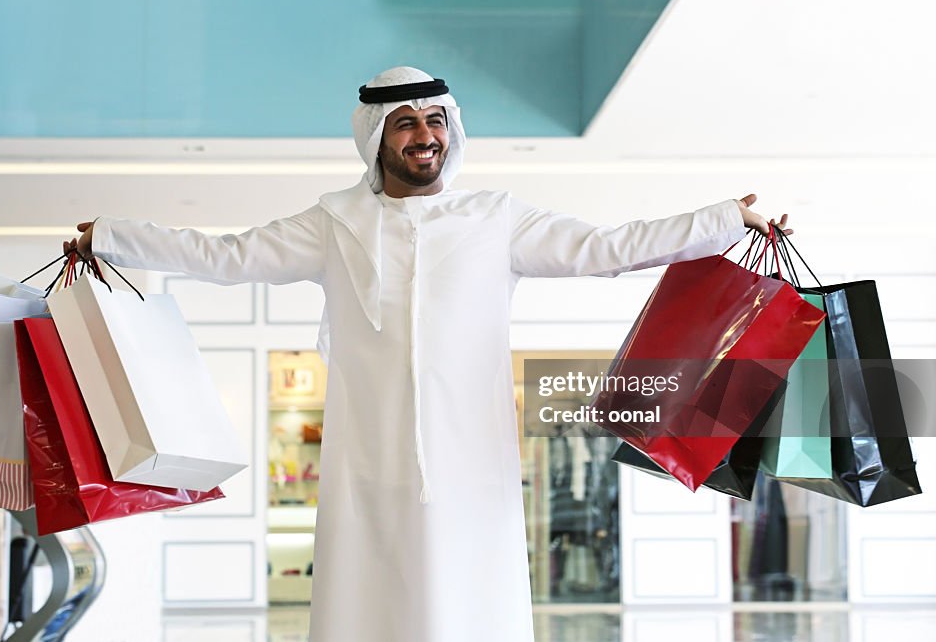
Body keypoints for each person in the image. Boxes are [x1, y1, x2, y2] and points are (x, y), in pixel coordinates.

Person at [65, 67, 789, 642]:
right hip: (366, 465)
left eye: (435, 119)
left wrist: (724, 219)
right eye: (405, 122)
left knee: (471, 604)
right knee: (367, 605)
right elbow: (221, 257)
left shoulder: (497, 218)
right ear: (376, 137)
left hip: (472, 462)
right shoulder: (333, 223)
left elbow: (609, 249)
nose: (424, 135)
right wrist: (115, 236)